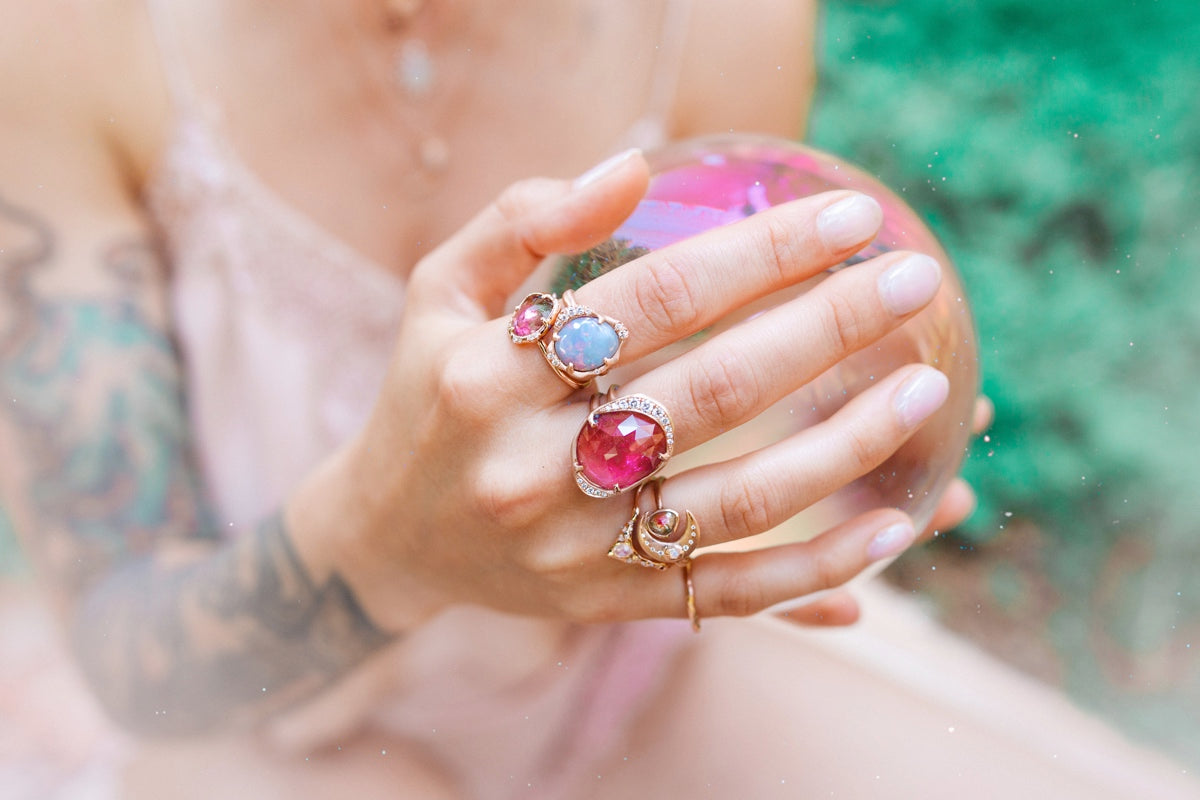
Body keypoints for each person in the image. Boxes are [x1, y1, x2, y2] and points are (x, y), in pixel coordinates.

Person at [0, 1, 1194, 797]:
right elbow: (130, 654)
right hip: (237, 715)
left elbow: (695, 385)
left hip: (627, 667)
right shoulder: (66, 40)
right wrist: (387, 545)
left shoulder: (720, 22)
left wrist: (811, 429)